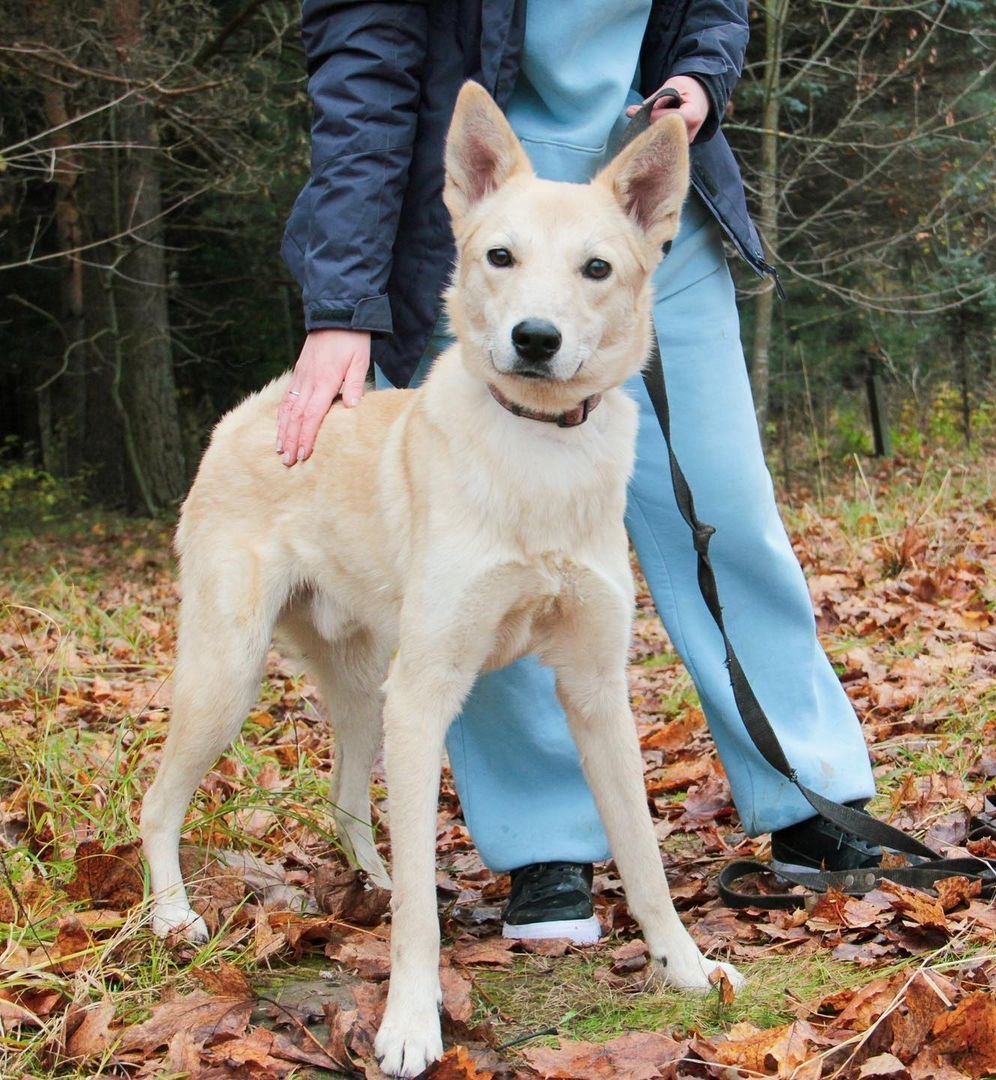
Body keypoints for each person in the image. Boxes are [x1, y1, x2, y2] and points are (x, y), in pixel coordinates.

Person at [277, 0, 881, 944]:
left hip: (637, 206)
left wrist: (700, 80)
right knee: (475, 545)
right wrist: (342, 301)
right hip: (482, 234)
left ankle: (807, 790)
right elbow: (365, 63)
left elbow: (714, 6)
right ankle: (543, 843)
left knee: (722, 503)